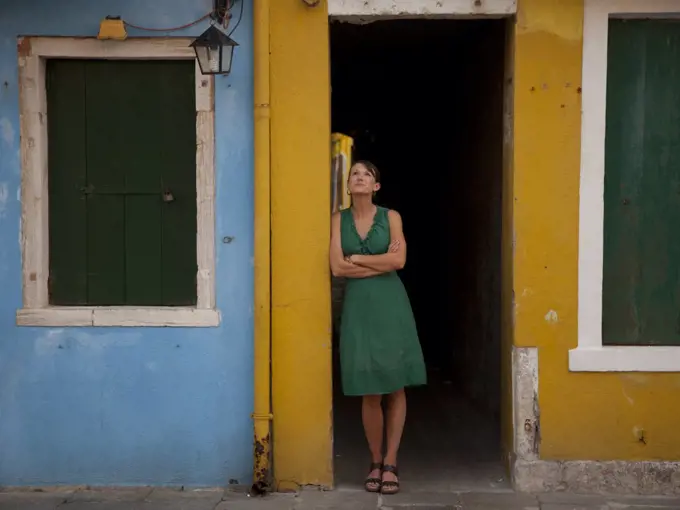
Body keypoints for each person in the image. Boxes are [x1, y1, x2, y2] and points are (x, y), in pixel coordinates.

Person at [329, 160, 427, 495]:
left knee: (395, 385)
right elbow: (337, 267)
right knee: (369, 388)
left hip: (391, 306)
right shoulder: (337, 220)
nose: (359, 177)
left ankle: (391, 462)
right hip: (358, 308)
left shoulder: (392, 217)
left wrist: (357, 258)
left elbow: (398, 262)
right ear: (349, 185)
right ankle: (374, 461)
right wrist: (376, 262)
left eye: (366, 174)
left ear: (376, 186)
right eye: (354, 173)